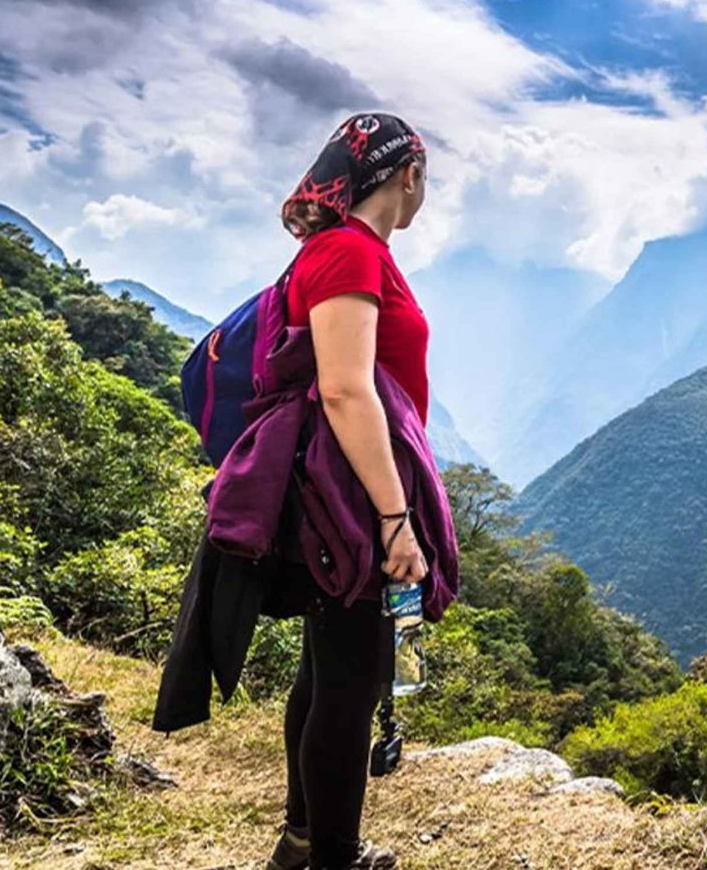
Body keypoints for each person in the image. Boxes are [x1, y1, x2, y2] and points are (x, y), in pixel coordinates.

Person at [264, 112, 432, 870]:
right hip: (352, 495)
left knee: (328, 666)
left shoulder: (344, 251)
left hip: (346, 485)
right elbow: (344, 390)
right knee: (353, 678)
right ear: (407, 175)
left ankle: (303, 842)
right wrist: (395, 520)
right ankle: (333, 855)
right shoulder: (350, 255)